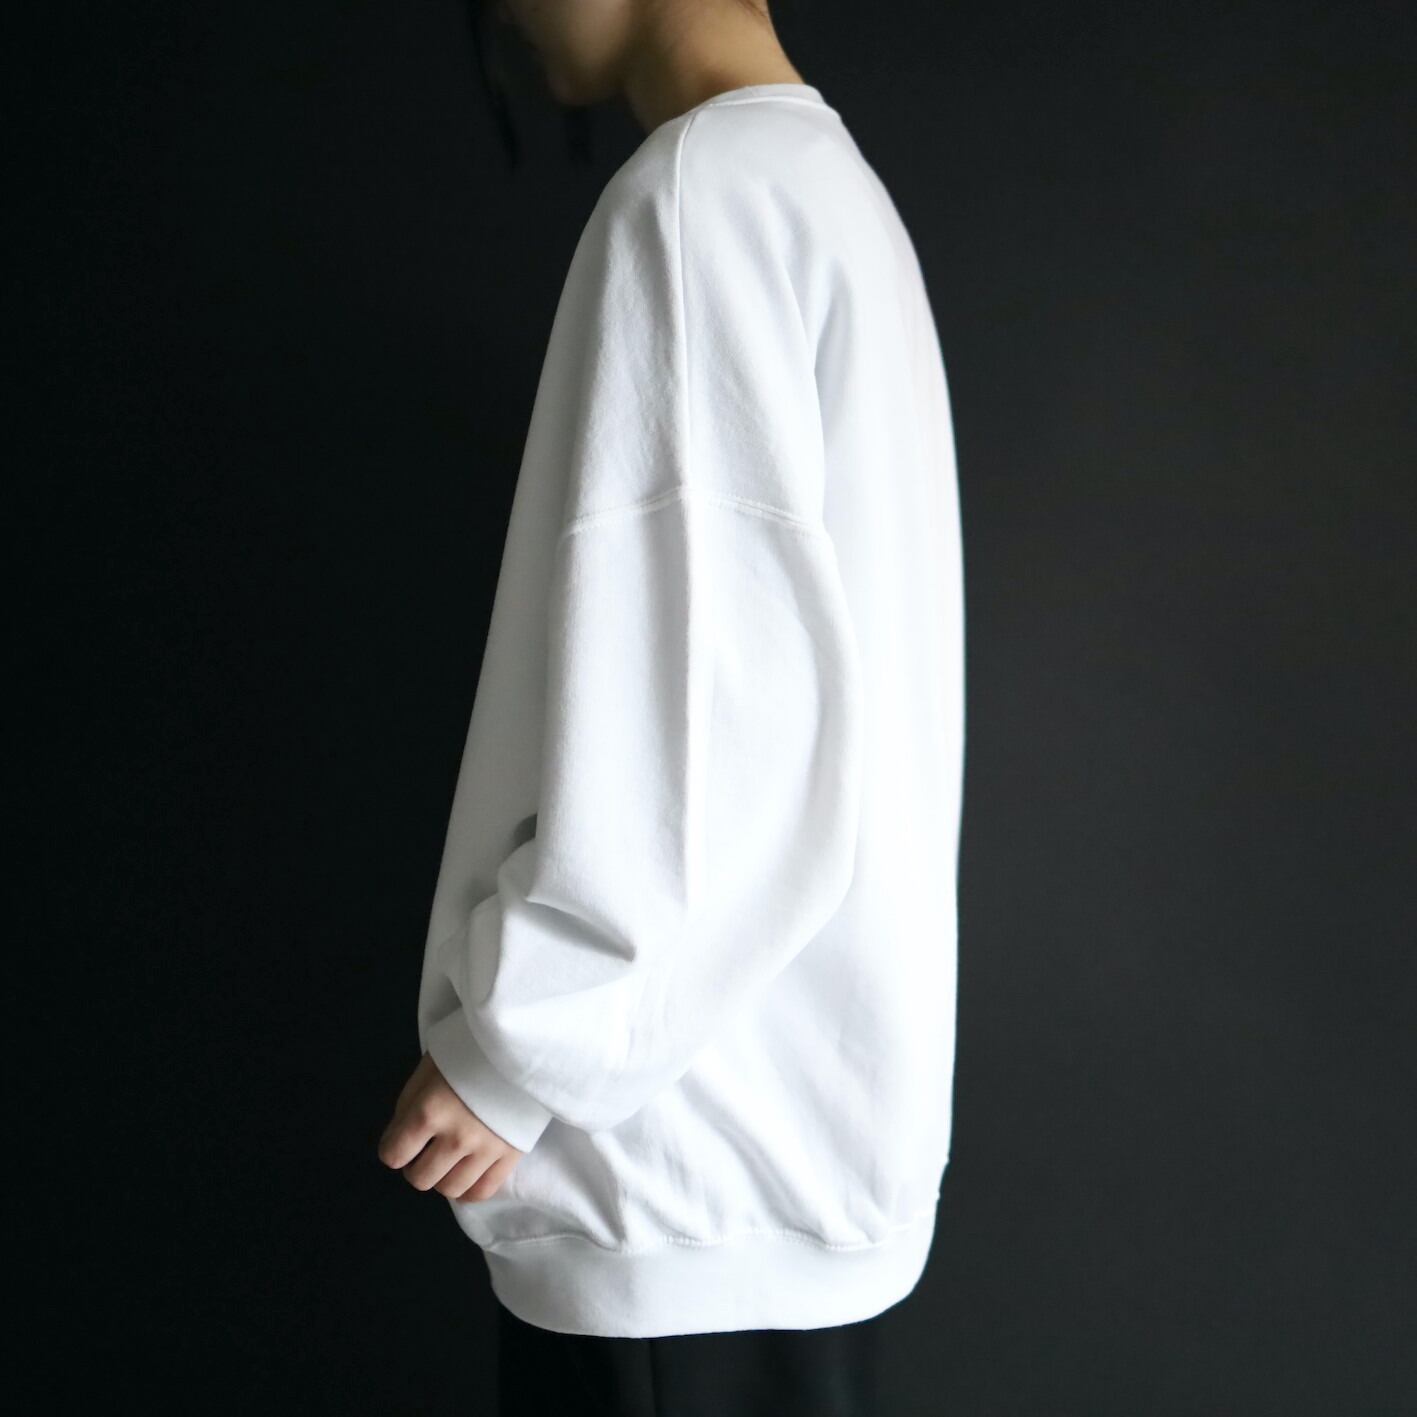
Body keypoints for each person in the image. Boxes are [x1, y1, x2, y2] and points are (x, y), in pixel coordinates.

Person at [376, 2, 966, 1412]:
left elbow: (714, 723)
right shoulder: (825, 189)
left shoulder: (703, 198)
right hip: (778, 1162)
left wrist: (521, 1048)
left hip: (671, 1178)